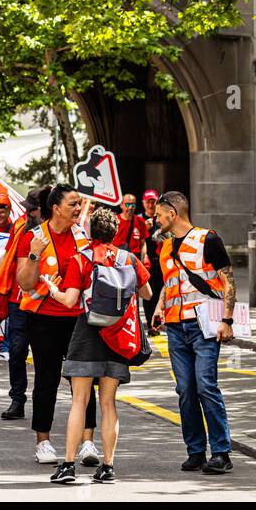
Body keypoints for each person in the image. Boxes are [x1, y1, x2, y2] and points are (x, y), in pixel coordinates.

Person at [47, 206, 151, 484]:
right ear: (116, 232)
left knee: (79, 401)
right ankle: (108, 467)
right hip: (118, 336)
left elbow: (69, 301)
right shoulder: (128, 258)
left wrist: (51, 289)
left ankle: (68, 465)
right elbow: (147, 291)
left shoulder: (81, 259)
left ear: (91, 231)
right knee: (108, 403)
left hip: (87, 333)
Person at [14, 183, 100, 466]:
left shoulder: (82, 236)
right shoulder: (32, 237)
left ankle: (87, 442)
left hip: (79, 319)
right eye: (73, 204)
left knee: (83, 381)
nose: (78, 208)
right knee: (46, 380)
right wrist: (35, 255)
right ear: (56, 208)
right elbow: (24, 283)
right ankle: (43, 442)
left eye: (78, 204)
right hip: (43, 318)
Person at [153, 190, 235, 474]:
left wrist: (227, 319)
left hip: (204, 325)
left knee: (205, 386)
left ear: (172, 214)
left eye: (159, 214)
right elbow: (171, 280)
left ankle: (222, 452)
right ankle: (196, 451)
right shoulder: (164, 247)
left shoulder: (207, 238)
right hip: (175, 327)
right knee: (185, 390)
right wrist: (160, 306)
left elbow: (228, 280)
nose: (155, 218)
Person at [0, 188, 45, 413]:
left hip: (43, 303)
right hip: (17, 300)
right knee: (17, 351)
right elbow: (6, 256)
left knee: (43, 355)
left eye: (32, 209)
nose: (28, 212)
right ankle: (17, 399)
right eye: (27, 208)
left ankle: (42, 401)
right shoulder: (20, 226)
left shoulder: (54, 230)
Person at [140, 188, 165, 331]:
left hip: (161, 261)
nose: (150, 205)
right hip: (146, 263)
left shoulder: (161, 218)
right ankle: (151, 322)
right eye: (148, 202)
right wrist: (144, 227)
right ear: (143, 203)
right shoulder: (139, 219)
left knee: (161, 292)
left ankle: (158, 321)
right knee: (149, 294)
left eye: (153, 202)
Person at [113, 193, 147, 259]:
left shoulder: (140, 221)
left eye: (133, 205)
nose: (131, 207)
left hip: (134, 259)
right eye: (128, 204)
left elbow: (143, 243)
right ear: (121, 205)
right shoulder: (115, 220)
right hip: (118, 258)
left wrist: (143, 259)